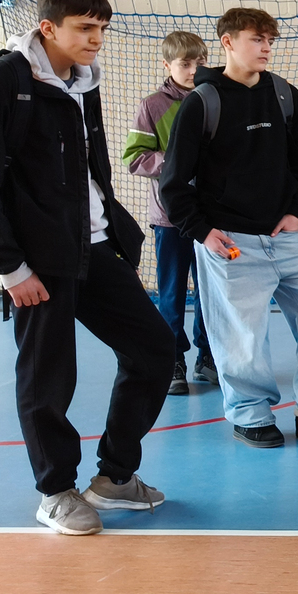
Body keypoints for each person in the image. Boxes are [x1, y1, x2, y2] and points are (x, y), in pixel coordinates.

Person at [0, 0, 176, 534]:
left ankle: (115, 477)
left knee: (154, 349)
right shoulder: (2, 83)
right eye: (85, 27)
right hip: (37, 262)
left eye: (102, 28)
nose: (96, 38)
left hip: (95, 248)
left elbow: (88, 170)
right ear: (47, 27)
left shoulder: (84, 82)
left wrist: (115, 233)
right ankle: (55, 491)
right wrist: (10, 267)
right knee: (49, 378)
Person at [159, 7, 298, 447]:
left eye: (270, 40)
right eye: (256, 39)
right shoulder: (202, 103)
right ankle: (251, 415)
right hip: (228, 241)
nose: (266, 47)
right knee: (242, 333)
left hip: (286, 238)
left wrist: (297, 212)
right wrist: (202, 231)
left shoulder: (286, 95)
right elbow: (173, 182)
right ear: (228, 42)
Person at [122, 29, 216, 396]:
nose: (193, 70)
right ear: (167, 65)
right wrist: (177, 163)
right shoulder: (152, 106)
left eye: (199, 63)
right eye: (185, 64)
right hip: (169, 219)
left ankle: (208, 356)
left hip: (210, 219)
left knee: (210, 292)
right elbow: (135, 158)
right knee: (172, 294)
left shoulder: (216, 98)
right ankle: (173, 359)